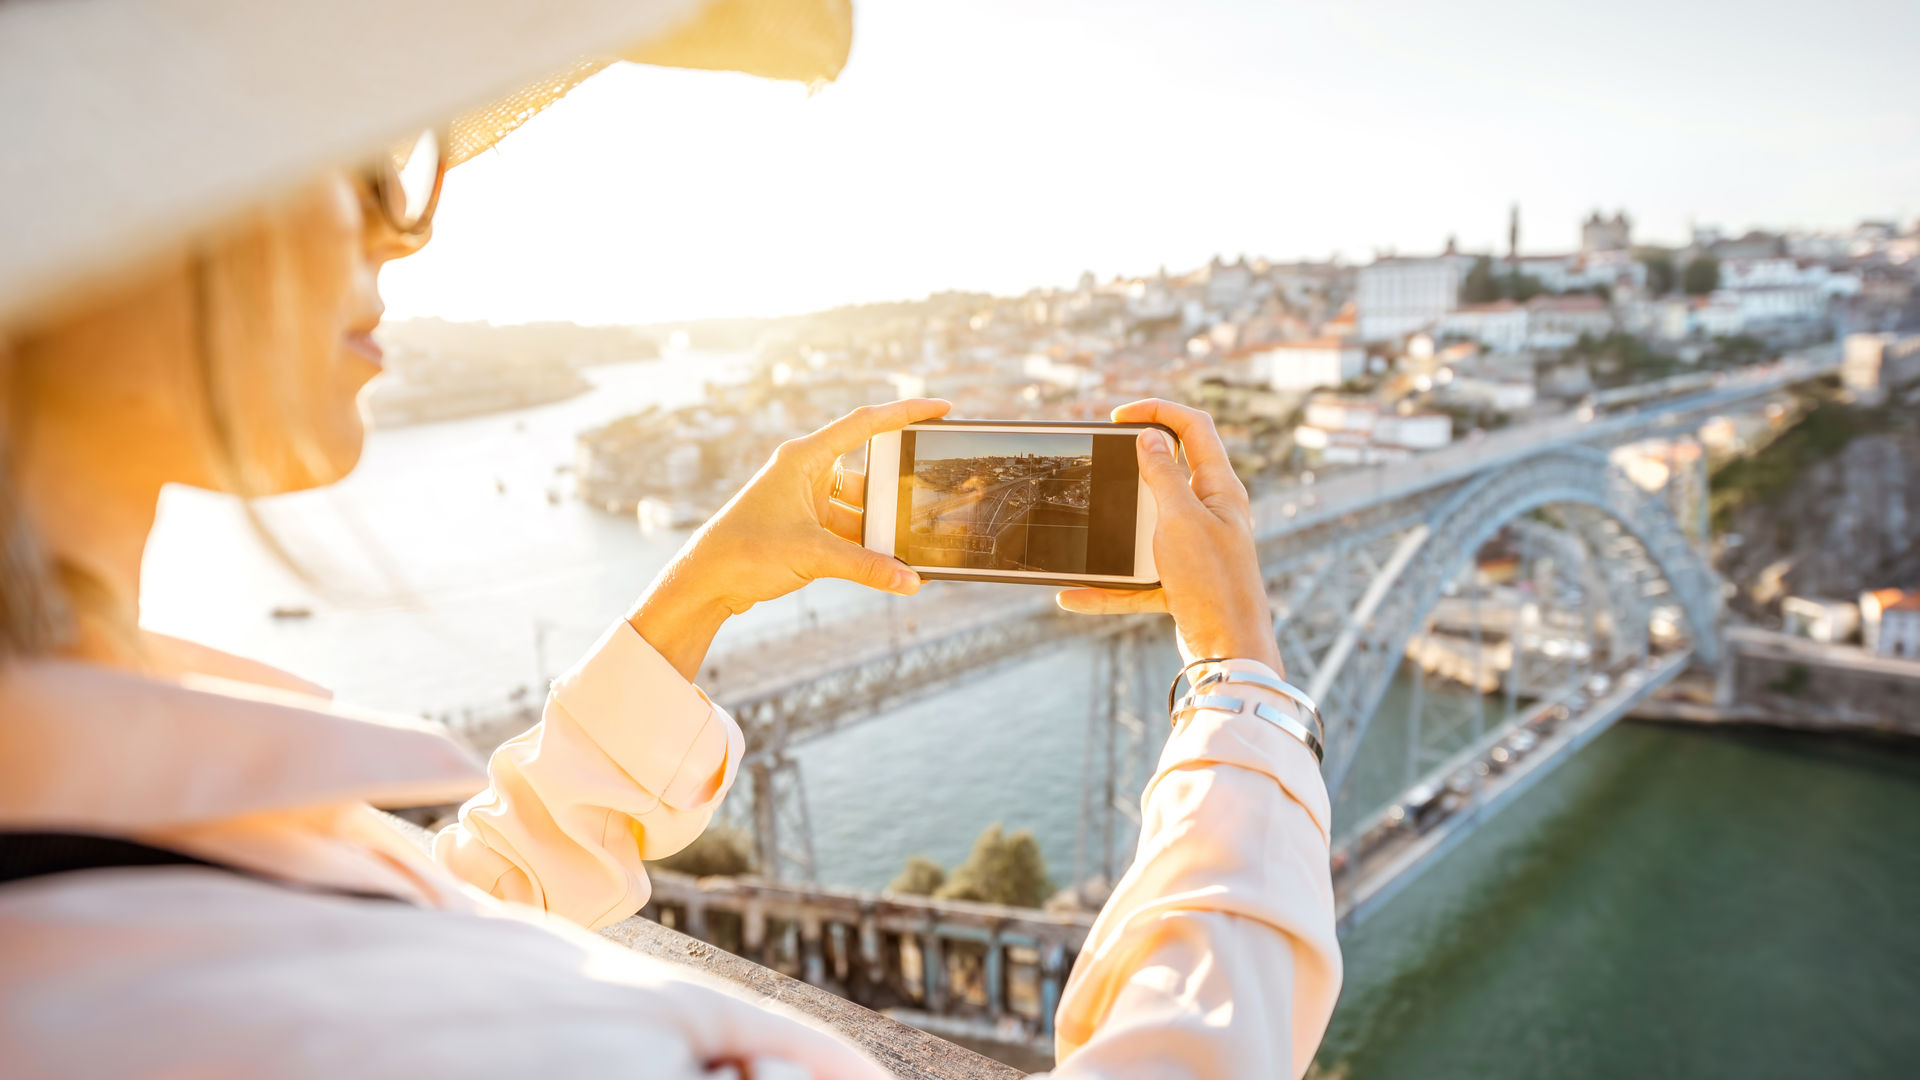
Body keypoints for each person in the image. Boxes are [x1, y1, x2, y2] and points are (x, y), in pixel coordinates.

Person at [0, 2, 1339, 1077]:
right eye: (358, 162)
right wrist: (1239, 678)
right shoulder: (253, 985)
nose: (405, 227)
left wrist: (705, 589)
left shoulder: (113, 874)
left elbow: (452, 914)